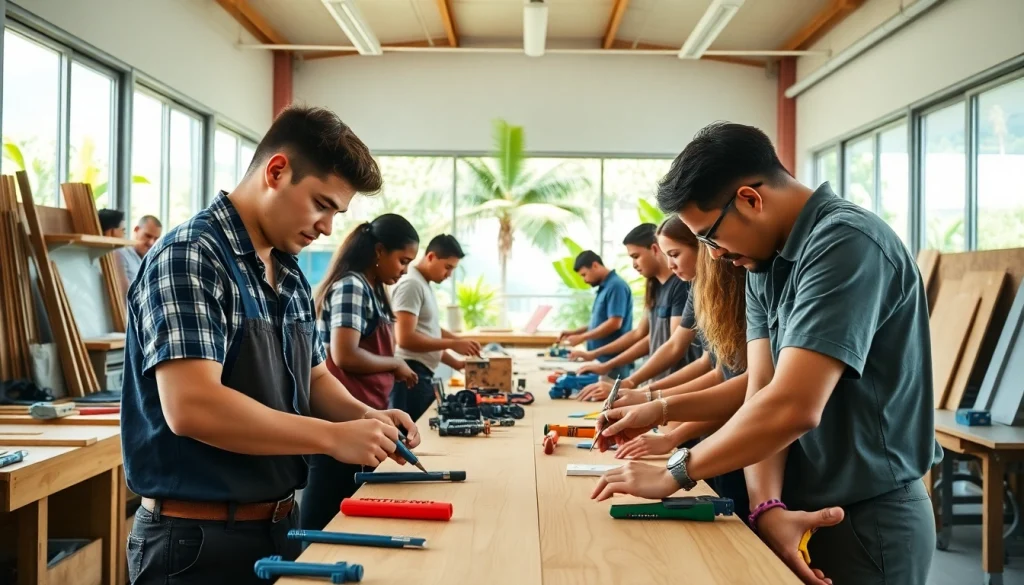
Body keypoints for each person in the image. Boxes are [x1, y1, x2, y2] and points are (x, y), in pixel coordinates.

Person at [592, 122, 939, 585]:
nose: (713, 256)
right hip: (797, 509)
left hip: (865, 516)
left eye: (710, 236)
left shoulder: (846, 243)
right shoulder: (763, 264)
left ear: (750, 200)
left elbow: (794, 406)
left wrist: (676, 471)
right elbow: (760, 395)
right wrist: (768, 506)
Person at [120, 105, 420, 585]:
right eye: (321, 204)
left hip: (278, 525)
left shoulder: (288, 270)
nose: (327, 227)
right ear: (276, 171)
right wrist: (331, 437)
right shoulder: (191, 255)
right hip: (195, 542)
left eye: (336, 213)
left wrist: (365, 418)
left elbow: (315, 376)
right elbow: (193, 406)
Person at [605, 239, 753, 522]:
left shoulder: (743, 288)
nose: (717, 251)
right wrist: (651, 402)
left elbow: (751, 394)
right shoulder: (701, 291)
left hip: (739, 437)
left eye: (675, 253)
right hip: (718, 431)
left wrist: (655, 405)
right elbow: (720, 372)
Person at [301, 213, 422, 531]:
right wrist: (394, 363)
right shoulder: (352, 286)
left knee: (349, 511)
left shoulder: (372, 289)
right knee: (324, 517)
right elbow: (344, 355)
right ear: (379, 251)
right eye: (402, 260)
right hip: (339, 419)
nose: (404, 270)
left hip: (362, 415)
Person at [575, 217, 705, 402]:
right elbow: (643, 335)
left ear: (654, 249)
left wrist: (627, 382)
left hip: (674, 388)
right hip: (657, 386)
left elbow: (675, 345)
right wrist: (607, 366)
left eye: (636, 256)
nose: (634, 264)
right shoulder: (656, 287)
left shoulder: (682, 285)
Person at [391, 234, 482, 422]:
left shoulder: (423, 284)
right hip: (410, 376)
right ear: (431, 257)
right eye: (447, 267)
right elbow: (405, 338)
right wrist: (453, 343)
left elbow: (429, 331)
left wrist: (456, 360)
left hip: (420, 374)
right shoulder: (412, 284)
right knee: (414, 438)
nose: (449, 274)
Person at [557, 250, 633, 379]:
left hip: (613, 361)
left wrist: (583, 338)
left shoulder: (616, 286)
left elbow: (614, 323)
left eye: (584, 274)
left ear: (595, 265)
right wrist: (576, 332)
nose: (584, 280)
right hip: (601, 360)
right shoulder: (605, 287)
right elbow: (598, 323)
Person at [116, 215, 163, 289]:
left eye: (155, 239)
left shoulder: (153, 260)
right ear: (136, 229)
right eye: (148, 236)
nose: (151, 243)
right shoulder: (120, 254)